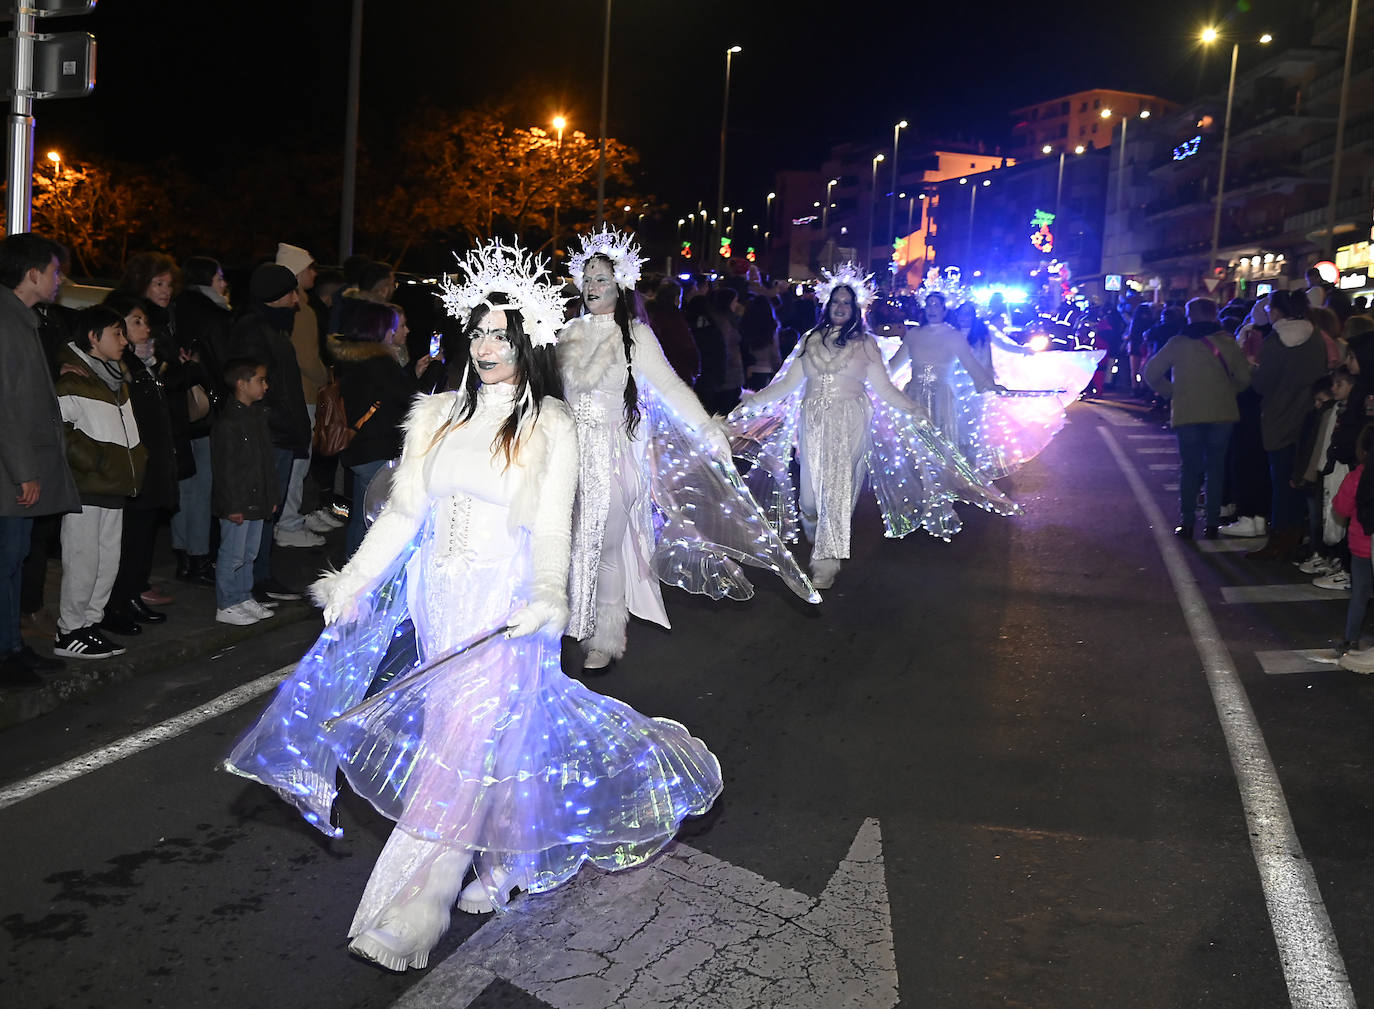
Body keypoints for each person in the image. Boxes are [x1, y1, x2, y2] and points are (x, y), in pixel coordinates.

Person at [224, 239, 721, 972]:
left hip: (505, 603)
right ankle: (507, 854)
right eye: (479, 332)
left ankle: (420, 904)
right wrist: (352, 579)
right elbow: (400, 514)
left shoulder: (550, 424)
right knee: (487, 737)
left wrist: (549, 595)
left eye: (501, 333)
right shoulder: (435, 414)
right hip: (441, 598)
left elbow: (553, 524)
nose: (487, 345)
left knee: (465, 740)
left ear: (524, 343)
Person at [557, 227, 816, 670]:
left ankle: (606, 635)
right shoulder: (565, 334)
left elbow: (672, 386)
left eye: (602, 278)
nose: (594, 286)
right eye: (588, 278)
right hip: (567, 457)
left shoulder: (635, 335)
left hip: (613, 456)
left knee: (607, 545)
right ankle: (568, 621)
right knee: (566, 544)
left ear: (620, 285)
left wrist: (707, 429)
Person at [729, 264, 1017, 589]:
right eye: (835, 302)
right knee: (809, 500)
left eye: (846, 303)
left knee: (838, 489)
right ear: (827, 306)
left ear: (855, 310)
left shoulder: (866, 345)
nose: (840, 308)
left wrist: (912, 407)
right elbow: (787, 384)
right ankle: (813, 523)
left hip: (851, 420)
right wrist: (751, 402)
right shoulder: (810, 340)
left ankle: (828, 559)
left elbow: (884, 387)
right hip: (813, 424)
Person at [0, 233, 80, 687]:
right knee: (7, 560)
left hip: (15, 469)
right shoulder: (7, 322)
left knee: (14, 559)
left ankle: (12, 647)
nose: (59, 279)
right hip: (11, 471)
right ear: (32, 273)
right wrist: (24, 471)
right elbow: (6, 405)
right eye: (55, 270)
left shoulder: (22, 319)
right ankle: (5, 653)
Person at [53, 306, 147, 660]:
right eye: (116, 333)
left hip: (113, 488)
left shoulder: (115, 378)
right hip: (88, 488)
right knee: (82, 560)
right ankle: (69, 631)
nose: (123, 341)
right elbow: (57, 430)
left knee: (107, 560)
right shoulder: (74, 380)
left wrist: (137, 460)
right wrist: (96, 461)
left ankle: (89, 625)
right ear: (93, 338)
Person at [228, 263, 311, 602]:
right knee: (259, 511)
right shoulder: (253, 330)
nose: (296, 300)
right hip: (268, 436)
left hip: (279, 433)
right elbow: (254, 387)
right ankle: (252, 581)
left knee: (268, 511)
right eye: (290, 292)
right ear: (275, 296)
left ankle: (261, 575)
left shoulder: (274, 329)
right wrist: (275, 424)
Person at [100, 292, 180, 631]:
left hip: (152, 463)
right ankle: (116, 604)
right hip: (135, 465)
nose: (145, 328)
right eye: (136, 322)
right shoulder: (121, 367)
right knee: (128, 540)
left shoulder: (145, 363)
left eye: (144, 321)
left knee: (143, 537)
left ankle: (132, 594)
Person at [1143, 297, 1253, 539]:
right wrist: (1227, 391)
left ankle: (1188, 521)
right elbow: (1244, 378)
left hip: (1188, 413)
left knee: (1190, 469)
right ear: (1215, 315)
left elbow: (1151, 373)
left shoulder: (1178, 343)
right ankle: (1212, 523)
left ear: (1189, 316)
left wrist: (1173, 393)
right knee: (1216, 468)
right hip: (1222, 413)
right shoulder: (1228, 342)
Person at [326, 298, 429, 556]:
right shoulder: (379, 362)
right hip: (373, 449)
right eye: (393, 327)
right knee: (369, 518)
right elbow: (408, 398)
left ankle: (354, 570)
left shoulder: (358, 358)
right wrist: (432, 373)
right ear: (382, 329)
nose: (397, 332)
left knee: (363, 515)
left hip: (361, 447)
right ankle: (356, 575)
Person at [1248, 290, 1327, 560]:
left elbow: (1261, 384)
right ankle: (1297, 536)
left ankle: (1280, 538)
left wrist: (1253, 369)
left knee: (1280, 481)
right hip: (1307, 417)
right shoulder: (1315, 338)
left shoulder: (1273, 342)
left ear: (1278, 311)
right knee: (1300, 481)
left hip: (1279, 416)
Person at [168, 256, 230, 586]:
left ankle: (183, 552)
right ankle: (199, 556)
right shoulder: (211, 312)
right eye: (220, 277)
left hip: (181, 404)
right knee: (202, 486)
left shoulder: (176, 308)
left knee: (186, 484)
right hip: (205, 406)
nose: (225, 284)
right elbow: (221, 362)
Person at [275, 242, 340, 545]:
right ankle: (287, 525)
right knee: (297, 463)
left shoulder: (297, 304)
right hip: (303, 394)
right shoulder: (299, 306)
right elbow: (305, 357)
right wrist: (326, 378)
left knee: (296, 463)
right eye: (310, 268)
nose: (314, 273)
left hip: (299, 393)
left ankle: (288, 519)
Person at [211, 359, 279, 626]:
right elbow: (225, 469)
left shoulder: (256, 416)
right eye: (260, 380)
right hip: (238, 503)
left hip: (256, 499)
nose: (266, 385)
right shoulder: (228, 423)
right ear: (242, 384)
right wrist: (232, 505)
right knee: (232, 554)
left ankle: (242, 596)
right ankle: (226, 603)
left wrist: (271, 497)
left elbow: (265, 463)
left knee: (249, 552)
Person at [1335, 426, 1374, 669]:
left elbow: (1341, 507)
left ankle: (1350, 638)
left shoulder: (1358, 475)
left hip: (1362, 546)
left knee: (1359, 594)